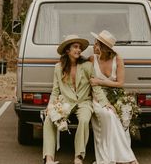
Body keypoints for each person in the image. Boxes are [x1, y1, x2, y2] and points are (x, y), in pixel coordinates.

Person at [43, 34, 111, 164]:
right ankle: (49, 158)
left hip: (84, 102)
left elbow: (95, 87)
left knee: (84, 120)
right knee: (48, 119)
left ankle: (78, 157)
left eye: (80, 47)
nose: (79, 50)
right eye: (75, 47)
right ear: (67, 50)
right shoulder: (58, 68)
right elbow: (56, 90)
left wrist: (105, 103)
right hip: (65, 103)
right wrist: (50, 105)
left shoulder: (87, 66)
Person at [89, 29, 138, 164]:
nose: (94, 46)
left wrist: (100, 81)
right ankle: (121, 157)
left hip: (116, 95)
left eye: (96, 44)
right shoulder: (92, 58)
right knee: (108, 114)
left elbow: (120, 83)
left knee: (121, 114)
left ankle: (122, 155)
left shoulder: (118, 59)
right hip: (98, 96)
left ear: (104, 48)